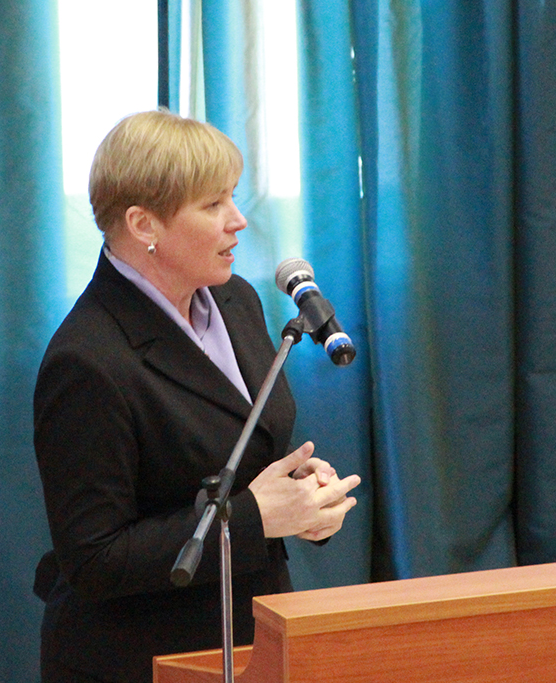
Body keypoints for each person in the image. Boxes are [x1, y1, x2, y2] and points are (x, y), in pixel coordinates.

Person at [33, 109, 361, 683]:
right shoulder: (86, 361)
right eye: (213, 205)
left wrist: (302, 498)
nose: (238, 220)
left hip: (253, 634)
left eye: (233, 196)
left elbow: (243, 452)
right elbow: (95, 560)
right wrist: (256, 517)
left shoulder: (237, 300)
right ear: (144, 225)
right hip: (143, 659)